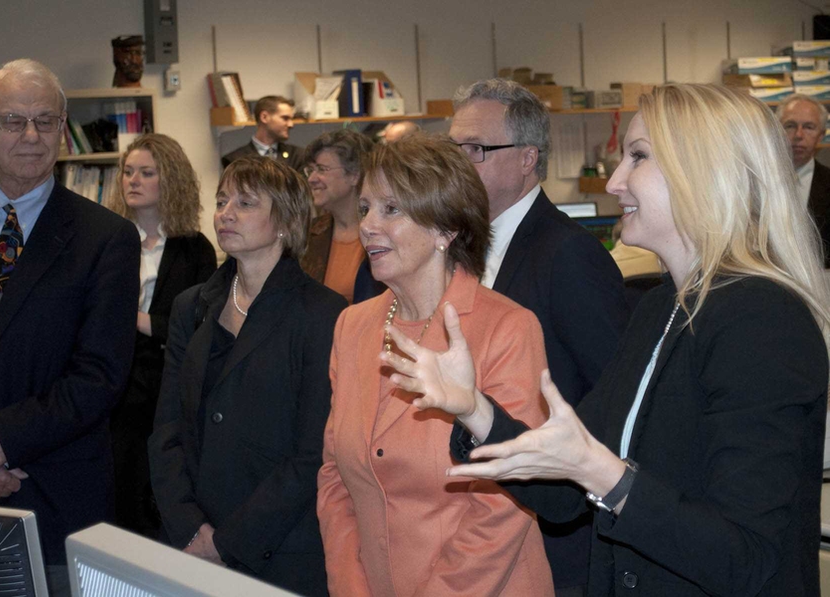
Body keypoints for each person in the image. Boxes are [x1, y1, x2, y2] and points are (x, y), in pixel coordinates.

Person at [386, 84, 830, 596]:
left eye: (637, 157)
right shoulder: (660, 307)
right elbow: (564, 496)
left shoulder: (761, 319)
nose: (615, 182)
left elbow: (744, 557)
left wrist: (605, 475)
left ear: (704, 172)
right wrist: (474, 411)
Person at [0, 59, 139, 591]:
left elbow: (99, 376)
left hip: (57, 507)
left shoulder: (106, 238)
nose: (31, 135)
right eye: (13, 120)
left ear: (63, 129)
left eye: (46, 121)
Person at [317, 136, 555, 596]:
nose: (367, 225)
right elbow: (334, 474)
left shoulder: (507, 328)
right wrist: (351, 586)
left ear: (446, 230)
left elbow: (504, 505)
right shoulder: (352, 327)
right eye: (365, 208)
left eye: (390, 209)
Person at [449, 77, 630, 594]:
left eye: (476, 149)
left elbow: (612, 389)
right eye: (453, 147)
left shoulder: (568, 254)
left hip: (557, 520)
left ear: (527, 158)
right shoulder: (465, 245)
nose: (459, 162)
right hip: (489, 504)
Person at [149, 156, 346, 596]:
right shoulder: (192, 306)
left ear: (285, 221)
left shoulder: (324, 314)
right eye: (221, 201)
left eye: (245, 202)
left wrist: (225, 542)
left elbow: (313, 452)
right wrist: (187, 527)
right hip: (189, 539)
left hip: (279, 548)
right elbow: (167, 428)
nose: (225, 214)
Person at [105, 133, 217, 537]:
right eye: (128, 172)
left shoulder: (195, 248)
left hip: (168, 388)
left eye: (146, 173)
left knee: (164, 501)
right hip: (114, 387)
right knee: (120, 503)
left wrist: (139, 321)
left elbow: (203, 324)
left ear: (169, 180)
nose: (132, 181)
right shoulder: (108, 240)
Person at [300, 129, 383, 303]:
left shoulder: (385, 232)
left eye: (322, 169)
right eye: (311, 170)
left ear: (354, 175)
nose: (311, 179)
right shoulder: (307, 234)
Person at [778, 93, 830, 267]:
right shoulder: (753, 183)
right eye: (790, 126)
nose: (799, 135)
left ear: (821, 135)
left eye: (809, 127)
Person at [221, 96, 305, 171]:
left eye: (291, 119)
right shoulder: (235, 160)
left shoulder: (298, 156)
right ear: (264, 117)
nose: (291, 124)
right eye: (285, 118)